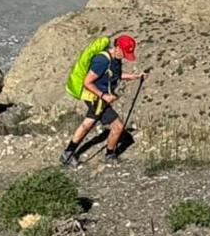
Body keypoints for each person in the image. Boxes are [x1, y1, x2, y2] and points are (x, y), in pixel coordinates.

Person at [59, 35, 147, 166]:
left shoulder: (115, 60)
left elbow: (117, 75)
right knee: (116, 126)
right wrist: (104, 96)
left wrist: (135, 76)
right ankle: (109, 155)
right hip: (96, 98)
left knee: (88, 124)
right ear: (117, 48)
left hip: (100, 98)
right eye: (124, 53)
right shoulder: (102, 61)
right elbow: (87, 82)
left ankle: (68, 153)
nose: (124, 57)